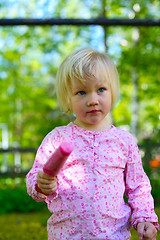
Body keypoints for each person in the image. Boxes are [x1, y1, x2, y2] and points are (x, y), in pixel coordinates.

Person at [26, 48, 159, 240]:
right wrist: (40, 184)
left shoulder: (124, 141)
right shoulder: (57, 138)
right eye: (81, 92)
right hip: (66, 236)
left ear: (112, 92)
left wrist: (144, 218)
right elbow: (34, 178)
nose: (93, 100)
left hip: (114, 236)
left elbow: (138, 186)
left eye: (101, 90)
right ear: (68, 99)